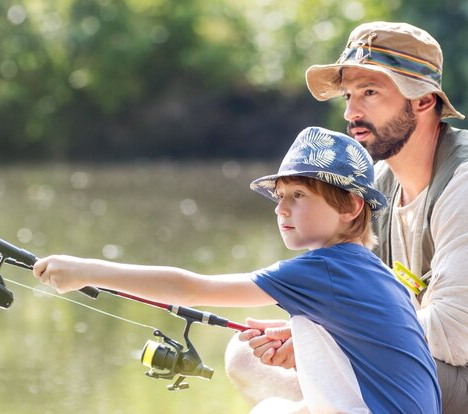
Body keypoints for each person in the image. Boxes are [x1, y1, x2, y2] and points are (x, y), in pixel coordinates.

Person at [33, 126, 441, 413]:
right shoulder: (371, 269)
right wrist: (298, 330)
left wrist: (87, 270)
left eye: (299, 195)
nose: (282, 207)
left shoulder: (323, 270)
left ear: (351, 207)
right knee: (248, 359)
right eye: (280, 196)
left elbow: (191, 288)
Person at [228, 21, 468, 413]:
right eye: (348, 96)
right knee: (242, 356)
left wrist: (326, 334)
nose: (352, 113)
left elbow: (454, 335)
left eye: (370, 93)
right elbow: (356, 294)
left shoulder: (463, 183)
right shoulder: (376, 182)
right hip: (417, 366)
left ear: (424, 100)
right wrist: (317, 333)